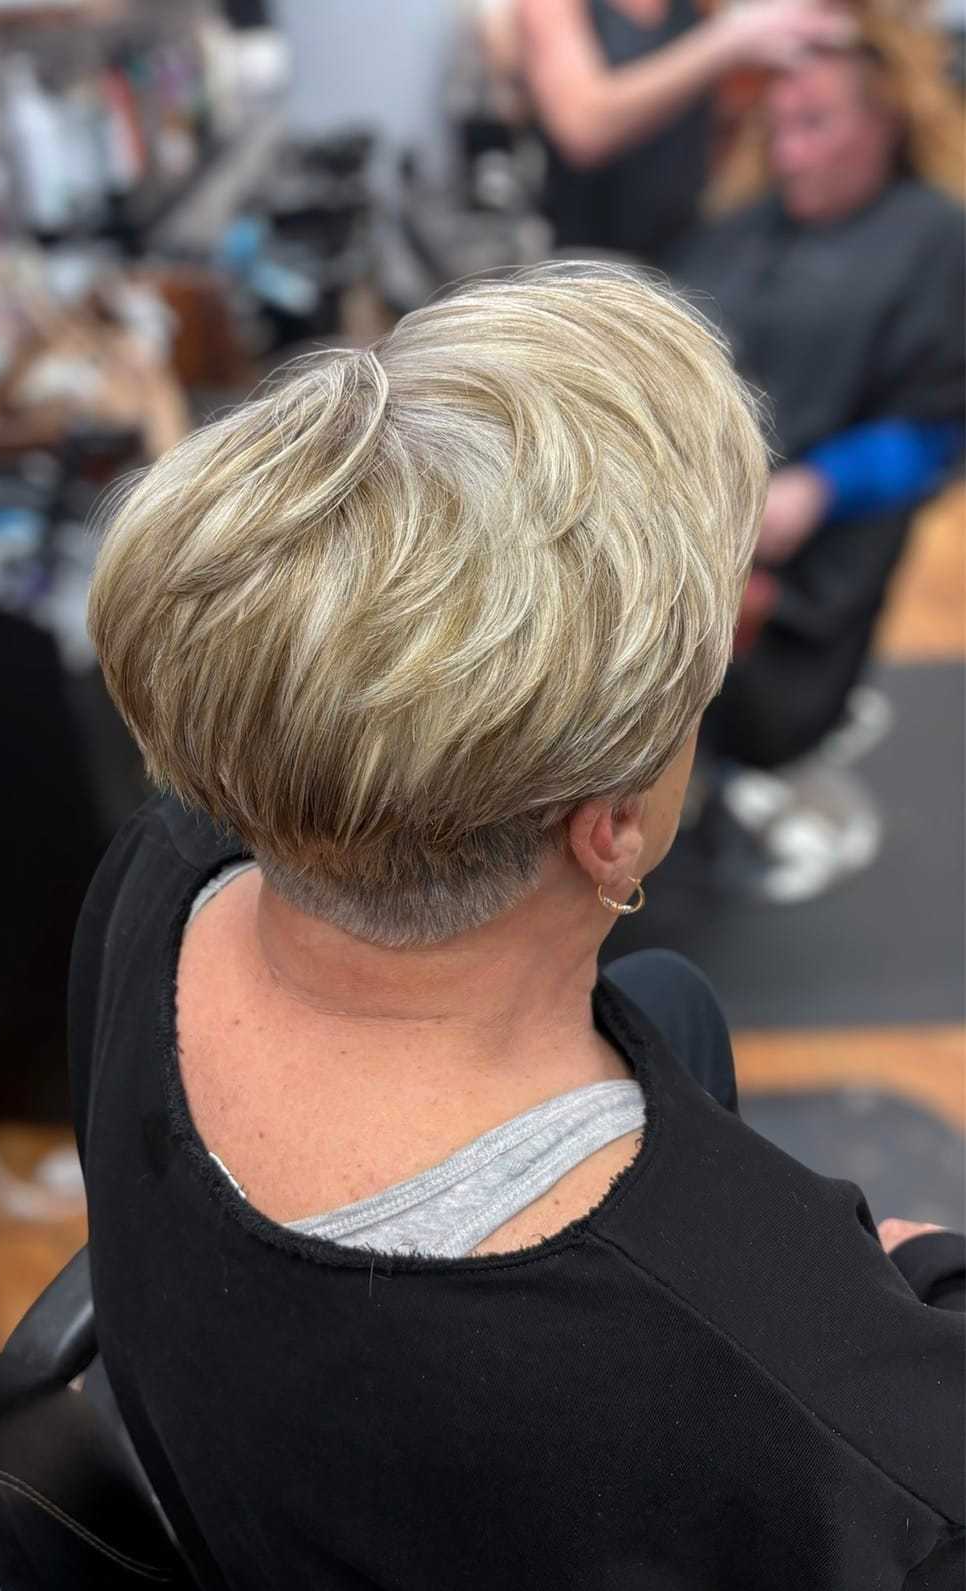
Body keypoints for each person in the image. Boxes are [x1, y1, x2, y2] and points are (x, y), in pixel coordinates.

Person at [73, 268, 963, 1590]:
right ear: (606, 827)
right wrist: (914, 1282)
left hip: (270, 1467)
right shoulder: (785, 1384)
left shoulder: (160, 869)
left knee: (668, 999)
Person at [665, 29, 964, 783]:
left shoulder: (935, 240)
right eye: (781, 127)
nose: (790, 154)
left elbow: (942, 426)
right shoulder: (748, 225)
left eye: (817, 126)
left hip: (808, 574)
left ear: (885, 119)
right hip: (695, 525)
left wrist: (820, 485)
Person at [514, 0, 851, 258]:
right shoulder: (555, 6)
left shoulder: (700, 7)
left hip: (690, 248)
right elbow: (583, 128)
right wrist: (726, 42)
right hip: (586, 257)